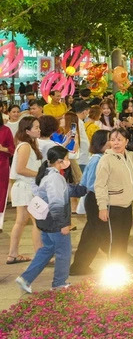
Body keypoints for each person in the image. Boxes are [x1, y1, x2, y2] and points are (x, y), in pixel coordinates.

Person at [15, 146, 87, 293]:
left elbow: (64, 190)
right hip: (55, 222)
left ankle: (25, 278)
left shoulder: (45, 173)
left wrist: (82, 189)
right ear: (60, 161)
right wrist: (63, 225)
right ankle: (59, 283)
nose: (68, 161)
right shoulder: (55, 177)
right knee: (63, 252)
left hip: (45, 221)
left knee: (46, 250)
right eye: (67, 159)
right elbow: (56, 203)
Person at [69, 130, 111, 275]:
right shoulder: (98, 160)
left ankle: (79, 266)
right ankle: (118, 257)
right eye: (110, 139)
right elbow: (91, 183)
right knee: (99, 232)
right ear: (101, 144)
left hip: (96, 199)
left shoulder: (101, 158)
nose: (113, 142)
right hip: (95, 199)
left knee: (92, 233)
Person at [7, 117, 42, 264]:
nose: (39, 129)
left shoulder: (28, 145)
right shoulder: (26, 146)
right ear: (27, 131)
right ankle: (40, 255)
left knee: (21, 221)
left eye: (39, 127)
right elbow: (20, 169)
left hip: (25, 187)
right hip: (26, 187)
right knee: (38, 221)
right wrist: (41, 174)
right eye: (36, 127)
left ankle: (12, 254)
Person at [0, 112, 15, 231]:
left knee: (2, 193)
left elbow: (12, 149)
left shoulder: (6, 130)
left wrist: (2, 148)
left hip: (2, 166)